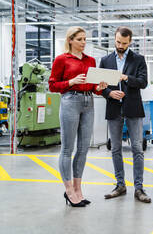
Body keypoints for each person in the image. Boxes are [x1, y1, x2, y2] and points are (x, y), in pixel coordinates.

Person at [49, 26, 108, 207]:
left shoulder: (90, 60)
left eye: (85, 40)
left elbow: (91, 86)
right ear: (70, 40)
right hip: (70, 101)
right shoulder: (61, 60)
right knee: (67, 149)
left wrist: (99, 88)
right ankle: (68, 190)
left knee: (83, 149)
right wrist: (70, 82)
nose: (83, 43)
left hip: (88, 103)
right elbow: (52, 85)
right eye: (80, 39)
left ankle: (78, 189)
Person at [100, 26, 151, 203]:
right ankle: (120, 185)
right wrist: (109, 93)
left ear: (130, 42)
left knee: (137, 148)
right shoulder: (105, 60)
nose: (120, 45)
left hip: (133, 109)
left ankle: (139, 188)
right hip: (114, 108)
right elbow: (100, 86)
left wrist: (126, 78)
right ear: (114, 39)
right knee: (115, 149)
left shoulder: (138, 60)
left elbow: (143, 82)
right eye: (118, 42)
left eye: (124, 43)